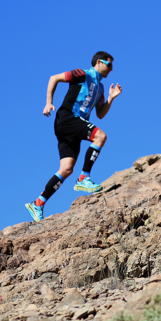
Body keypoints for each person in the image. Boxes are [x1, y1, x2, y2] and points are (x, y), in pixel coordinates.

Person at [25, 51, 122, 222]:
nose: (111, 69)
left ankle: (38, 203)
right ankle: (84, 178)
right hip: (68, 119)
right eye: (109, 64)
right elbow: (54, 78)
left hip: (74, 126)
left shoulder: (100, 87)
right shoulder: (82, 74)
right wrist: (48, 103)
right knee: (100, 136)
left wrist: (110, 98)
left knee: (66, 169)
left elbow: (100, 114)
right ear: (99, 62)